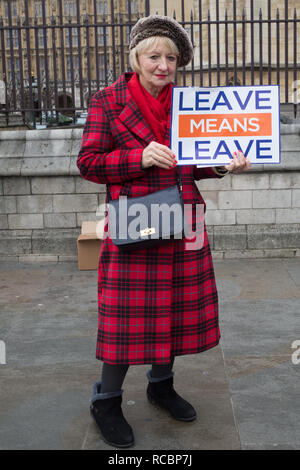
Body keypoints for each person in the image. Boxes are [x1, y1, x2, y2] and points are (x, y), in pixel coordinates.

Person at [77, 15, 251, 449]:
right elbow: (89, 163)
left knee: (172, 309)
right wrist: (139, 157)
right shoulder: (107, 101)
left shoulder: (189, 106)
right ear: (136, 56)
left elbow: (195, 161)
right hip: (134, 220)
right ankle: (107, 400)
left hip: (184, 221)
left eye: (171, 57)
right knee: (124, 318)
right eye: (154, 55)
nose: (163, 65)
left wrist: (222, 164)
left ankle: (161, 385)